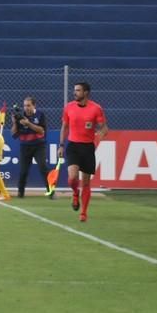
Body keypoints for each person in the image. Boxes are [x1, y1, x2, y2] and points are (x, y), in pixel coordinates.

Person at [57, 81, 108, 222]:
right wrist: (61, 145)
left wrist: (99, 136)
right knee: (72, 178)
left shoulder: (96, 108)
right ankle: (75, 193)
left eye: (78, 90)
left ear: (86, 93)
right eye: (75, 90)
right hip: (73, 146)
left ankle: (83, 213)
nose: (75, 92)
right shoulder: (68, 107)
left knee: (86, 183)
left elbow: (104, 128)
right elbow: (65, 127)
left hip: (88, 148)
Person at [11, 96, 49, 198]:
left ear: (34, 106)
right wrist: (14, 123)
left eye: (28, 105)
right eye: (24, 106)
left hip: (39, 146)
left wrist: (29, 123)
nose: (26, 108)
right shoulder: (20, 116)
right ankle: (20, 193)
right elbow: (14, 135)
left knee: (43, 168)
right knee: (23, 171)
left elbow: (42, 131)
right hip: (25, 146)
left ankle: (51, 192)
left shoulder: (40, 115)